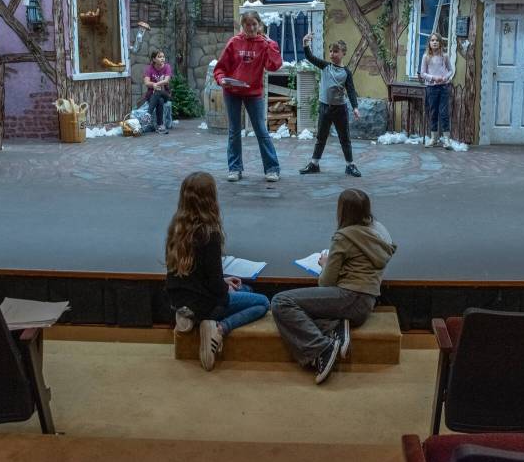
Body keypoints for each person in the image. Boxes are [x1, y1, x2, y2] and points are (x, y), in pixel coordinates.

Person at [271, 189, 396, 385]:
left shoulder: (344, 237)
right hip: (367, 301)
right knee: (309, 305)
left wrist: (325, 264)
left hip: (348, 297)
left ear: (342, 211)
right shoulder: (380, 230)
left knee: (282, 302)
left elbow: (325, 282)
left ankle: (321, 348)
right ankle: (336, 326)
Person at [164, 172, 271, 370]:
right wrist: (224, 287)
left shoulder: (176, 227)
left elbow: (193, 273)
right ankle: (217, 327)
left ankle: (187, 315)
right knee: (262, 302)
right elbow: (214, 285)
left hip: (179, 298)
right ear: (210, 199)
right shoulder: (209, 233)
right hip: (205, 301)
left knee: (245, 290)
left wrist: (224, 280)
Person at [213, 10, 283, 182]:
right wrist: (221, 80)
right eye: (247, 24)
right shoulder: (234, 42)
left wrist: (271, 46)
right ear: (242, 26)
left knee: (261, 129)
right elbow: (220, 68)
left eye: (254, 24)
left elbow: (274, 66)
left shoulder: (264, 44)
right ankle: (235, 168)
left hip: (253, 93)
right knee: (234, 131)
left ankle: (272, 168)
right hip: (232, 92)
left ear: (259, 25)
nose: (251, 28)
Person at [298, 33, 362, 177]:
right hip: (325, 107)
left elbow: (351, 91)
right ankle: (314, 163)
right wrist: (305, 43)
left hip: (340, 109)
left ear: (343, 53)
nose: (332, 54)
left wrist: (355, 108)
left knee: (344, 138)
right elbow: (310, 57)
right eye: (331, 51)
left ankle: (350, 165)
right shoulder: (326, 66)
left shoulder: (346, 73)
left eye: (336, 51)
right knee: (321, 137)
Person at [420, 32, 455, 149]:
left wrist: (445, 77)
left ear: (440, 43)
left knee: (444, 113)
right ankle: (434, 138)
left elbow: (451, 70)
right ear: (429, 43)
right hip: (431, 88)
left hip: (444, 87)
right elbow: (423, 73)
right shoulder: (426, 57)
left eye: (437, 40)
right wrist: (433, 78)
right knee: (433, 112)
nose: (434, 42)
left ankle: (446, 140)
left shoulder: (444, 56)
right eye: (432, 40)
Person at [143, 49, 172, 133]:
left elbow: (166, 81)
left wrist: (156, 84)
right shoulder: (149, 68)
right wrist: (153, 85)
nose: (162, 58)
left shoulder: (167, 67)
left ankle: (148, 114)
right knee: (160, 100)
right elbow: (146, 83)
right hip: (151, 95)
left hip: (165, 93)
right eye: (159, 57)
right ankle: (160, 125)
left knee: (159, 93)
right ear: (154, 59)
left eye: (163, 57)